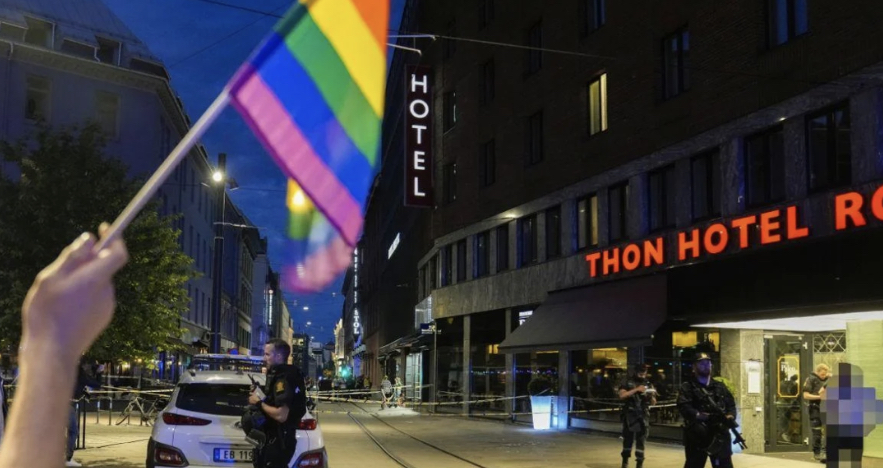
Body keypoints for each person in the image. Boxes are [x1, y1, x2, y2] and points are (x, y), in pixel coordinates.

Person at [0, 226, 129, 468]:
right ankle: (68, 455)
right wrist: (51, 343)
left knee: (70, 430)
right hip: (67, 400)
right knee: (70, 429)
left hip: (68, 399)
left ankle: (68, 455)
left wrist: (50, 341)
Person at [248, 339, 307, 467]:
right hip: (274, 439)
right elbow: (273, 401)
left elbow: (281, 415)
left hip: (279, 440)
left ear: (279, 356)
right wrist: (260, 394)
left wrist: (258, 403)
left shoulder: (284, 379)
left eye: (267, 354)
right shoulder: (278, 375)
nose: (264, 358)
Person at [677, 352, 738, 468]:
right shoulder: (688, 387)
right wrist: (698, 415)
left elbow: (731, 405)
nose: (705, 366)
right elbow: (684, 406)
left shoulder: (720, 386)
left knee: (724, 465)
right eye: (701, 364)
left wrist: (731, 415)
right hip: (698, 435)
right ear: (694, 367)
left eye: (708, 363)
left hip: (719, 434)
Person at [618, 364, 656, 468]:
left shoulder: (648, 383)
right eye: (640, 373)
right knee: (628, 439)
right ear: (635, 372)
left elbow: (653, 402)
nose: (642, 375)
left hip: (643, 415)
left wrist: (651, 396)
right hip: (630, 414)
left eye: (644, 373)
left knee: (641, 440)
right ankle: (625, 462)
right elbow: (622, 395)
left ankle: (639, 463)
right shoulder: (627, 382)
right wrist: (636, 389)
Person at [66, 361, 102, 466]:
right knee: (73, 431)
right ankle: (68, 458)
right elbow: (97, 384)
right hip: (67, 405)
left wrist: (83, 392)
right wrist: (99, 373)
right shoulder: (81, 375)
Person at [803, 363, 830, 462]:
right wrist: (820, 397)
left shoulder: (828, 379)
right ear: (817, 372)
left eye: (825, 374)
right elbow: (806, 395)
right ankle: (817, 453)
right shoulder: (810, 380)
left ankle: (825, 452)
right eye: (822, 374)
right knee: (817, 432)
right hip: (815, 408)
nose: (824, 376)